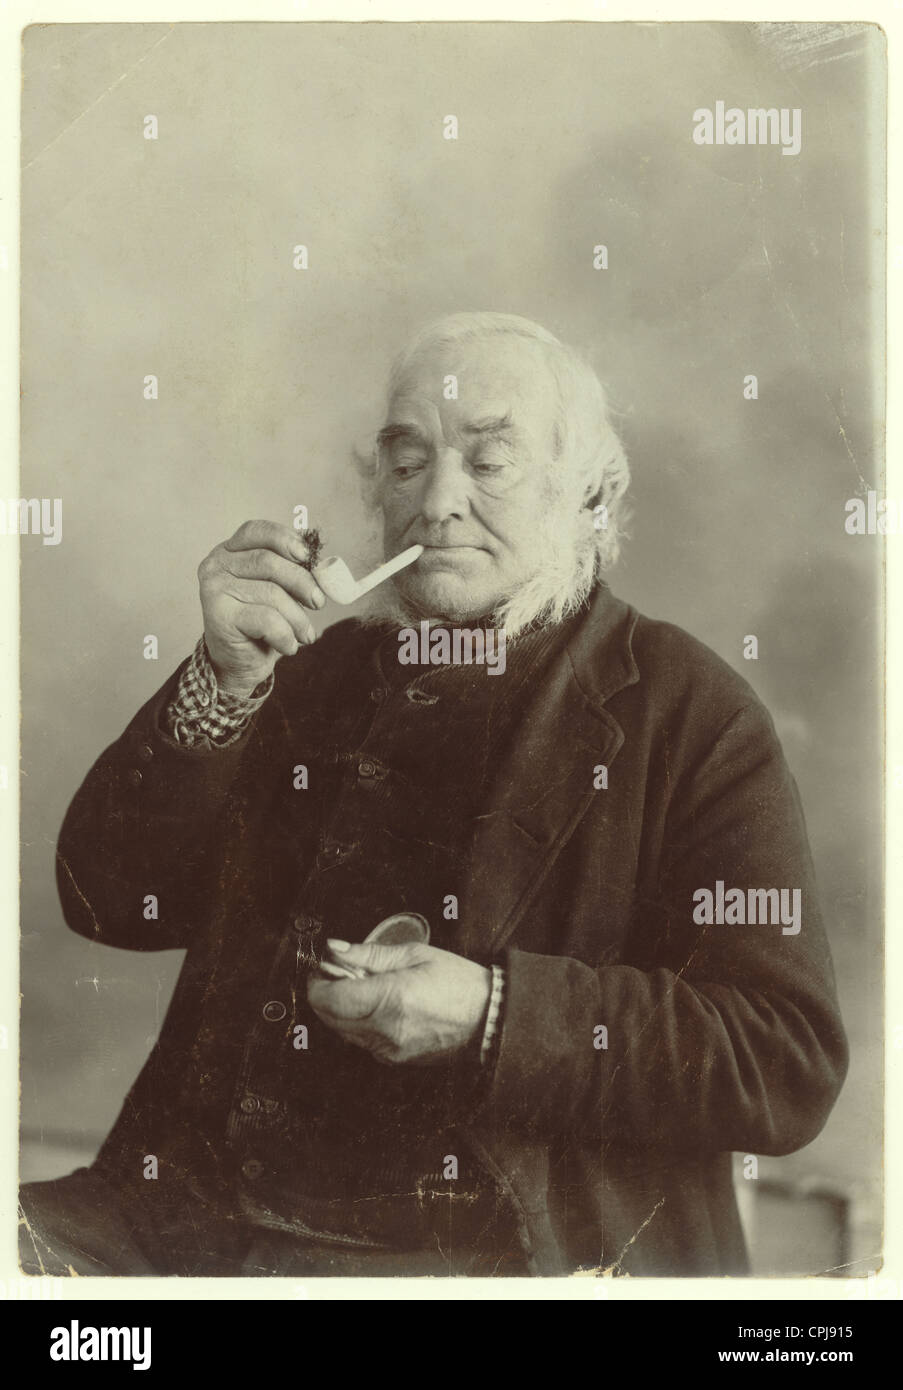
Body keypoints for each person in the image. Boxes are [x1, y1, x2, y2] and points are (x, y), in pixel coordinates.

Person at [21, 312, 848, 1278]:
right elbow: (107, 900)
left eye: (488, 463)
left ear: (592, 494)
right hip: (181, 1228)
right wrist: (221, 679)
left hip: (498, 1257)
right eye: (407, 462)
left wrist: (494, 1016)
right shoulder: (314, 674)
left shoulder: (688, 712)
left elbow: (783, 1059)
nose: (437, 502)